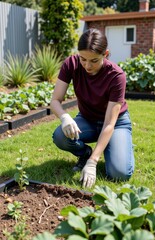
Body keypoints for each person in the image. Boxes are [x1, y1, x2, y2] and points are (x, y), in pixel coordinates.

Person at [50, 28, 135, 188]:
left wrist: (93, 163)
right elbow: (55, 100)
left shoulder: (116, 76)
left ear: (106, 54)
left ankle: (121, 143)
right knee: (60, 136)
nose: (87, 65)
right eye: (83, 59)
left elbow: (109, 123)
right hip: (87, 119)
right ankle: (85, 153)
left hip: (115, 124)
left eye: (94, 60)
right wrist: (64, 117)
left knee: (119, 174)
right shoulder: (71, 64)